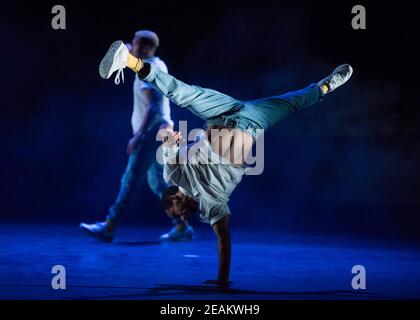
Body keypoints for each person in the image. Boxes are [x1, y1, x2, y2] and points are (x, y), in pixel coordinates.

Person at [98, 40, 353, 285]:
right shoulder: (211, 208)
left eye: (180, 214)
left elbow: (168, 142)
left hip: (221, 113)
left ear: (175, 198)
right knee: (293, 102)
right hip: (253, 121)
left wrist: (167, 137)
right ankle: (326, 86)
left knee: (183, 93)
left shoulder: (174, 176)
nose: (185, 217)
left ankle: (129, 60)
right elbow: (223, 241)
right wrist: (221, 280)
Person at [80, 32, 195, 243]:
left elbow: (152, 107)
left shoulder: (148, 68)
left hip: (153, 130)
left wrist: (138, 136)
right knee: (159, 184)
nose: (131, 47)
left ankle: (110, 225)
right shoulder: (156, 64)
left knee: (130, 179)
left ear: (143, 47)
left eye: (135, 44)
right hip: (163, 129)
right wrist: (128, 51)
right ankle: (182, 226)